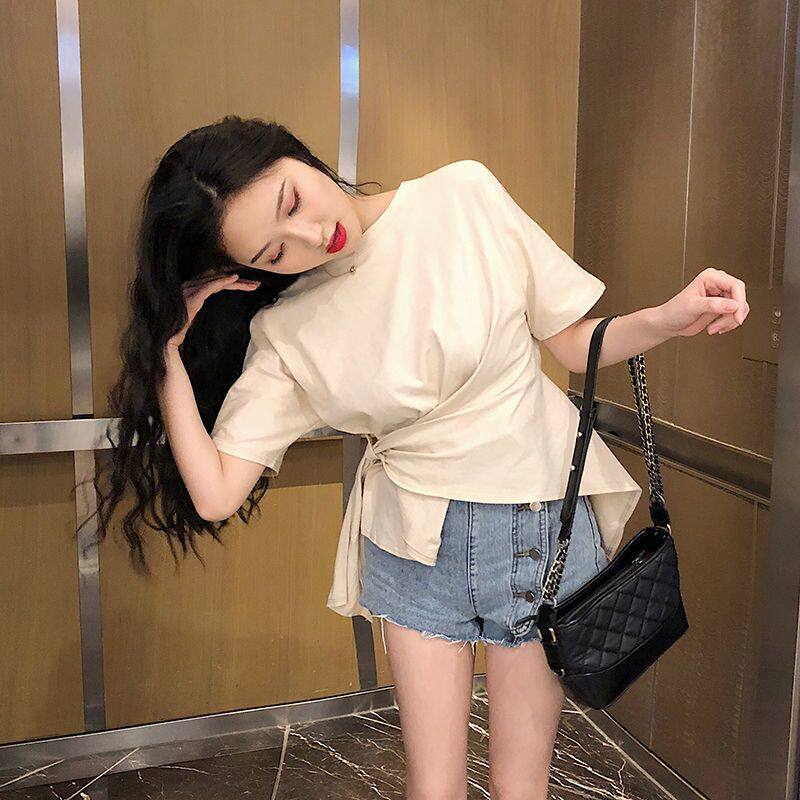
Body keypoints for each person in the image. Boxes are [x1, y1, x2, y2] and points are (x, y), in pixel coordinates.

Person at [86, 115, 748, 800]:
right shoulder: (286, 332)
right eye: (275, 252)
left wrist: (669, 317)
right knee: (433, 789)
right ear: (250, 272)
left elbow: (573, 343)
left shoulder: (461, 195)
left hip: (538, 524)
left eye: (293, 201)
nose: (311, 236)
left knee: (523, 787)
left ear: (298, 155)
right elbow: (216, 492)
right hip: (414, 546)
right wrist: (165, 355)